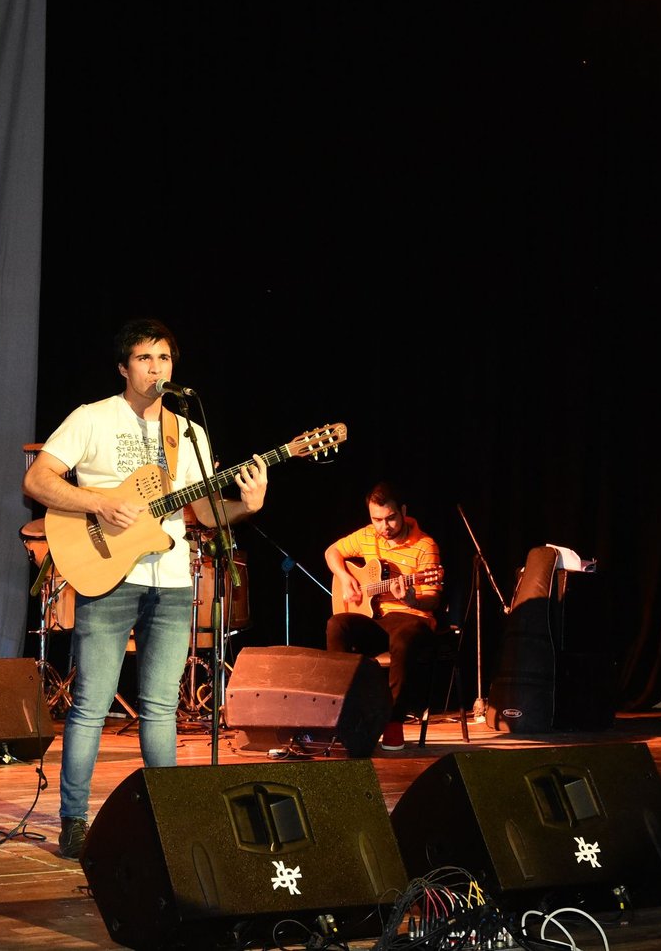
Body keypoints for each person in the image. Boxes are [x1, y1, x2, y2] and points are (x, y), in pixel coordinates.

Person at [23, 318, 268, 861]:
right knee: (90, 705)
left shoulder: (189, 432)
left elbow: (205, 512)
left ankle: (169, 821)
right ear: (123, 367)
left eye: (164, 358)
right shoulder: (92, 418)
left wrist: (246, 506)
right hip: (108, 576)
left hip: (173, 581)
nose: (156, 368)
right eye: (144, 358)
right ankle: (74, 821)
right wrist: (98, 502)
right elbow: (37, 480)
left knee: (160, 707)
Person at [323, 481, 443, 752]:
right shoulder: (367, 535)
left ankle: (393, 721)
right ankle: (341, 713)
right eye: (377, 520)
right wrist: (345, 578)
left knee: (403, 639)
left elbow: (433, 598)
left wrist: (412, 599)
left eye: (390, 518)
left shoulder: (426, 545)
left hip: (413, 619)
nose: (384, 526)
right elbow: (332, 552)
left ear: (403, 511)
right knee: (337, 624)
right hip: (377, 619)